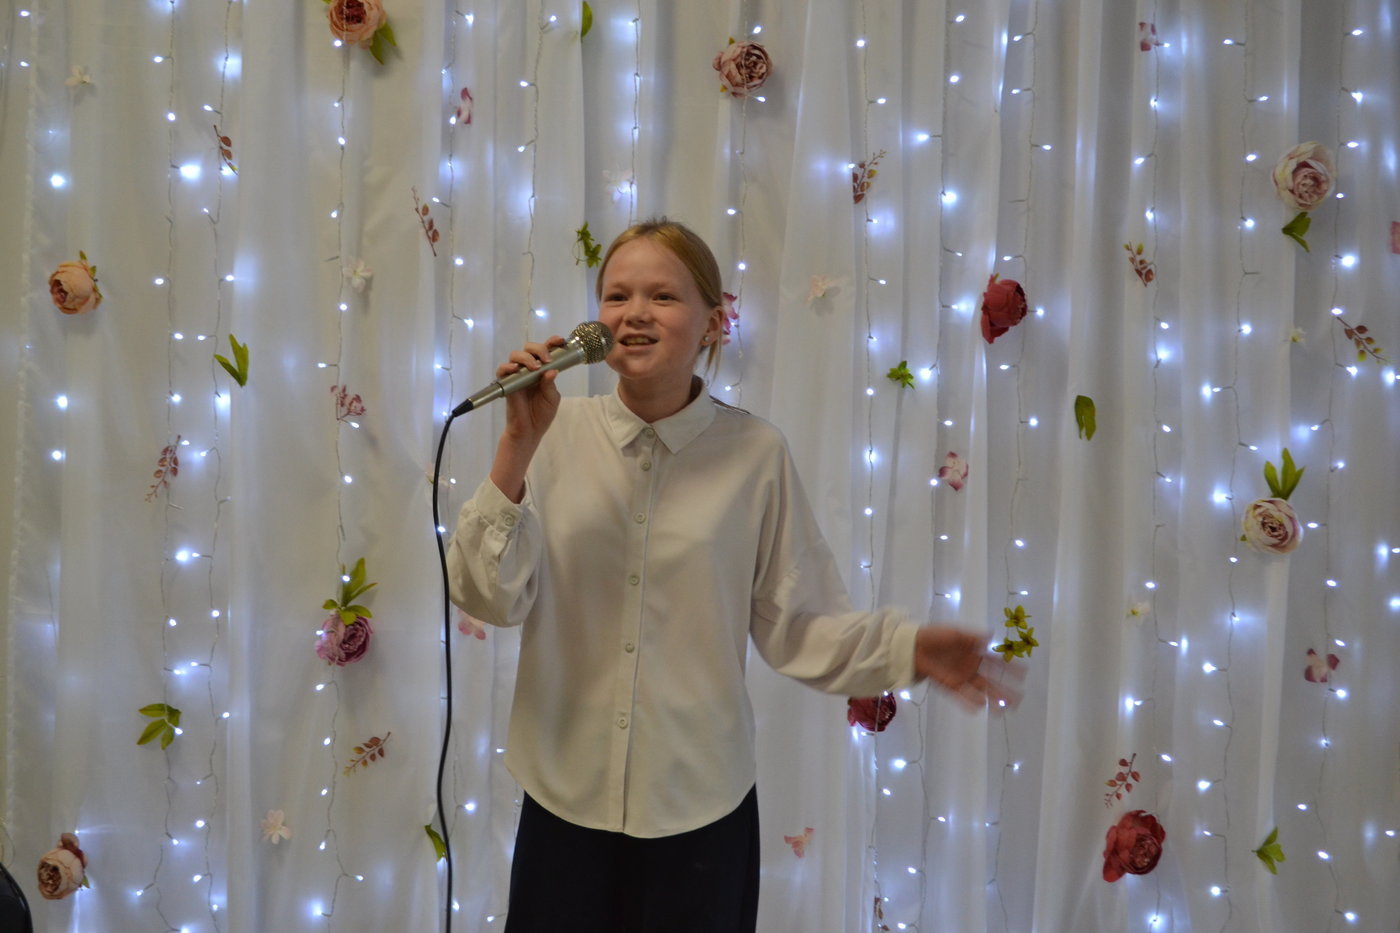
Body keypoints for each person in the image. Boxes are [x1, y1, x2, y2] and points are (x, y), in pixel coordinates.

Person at [447, 218, 1019, 933]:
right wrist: (516, 444)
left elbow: (799, 623)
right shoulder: (551, 436)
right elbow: (487, 596)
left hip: (701, 811)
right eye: (617, 295)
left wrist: (907, 649)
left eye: (663, 296)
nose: (635, 313)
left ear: (713, 323)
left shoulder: (756, 454)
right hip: (563, 802)